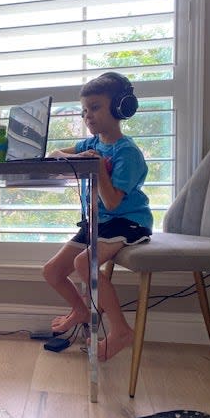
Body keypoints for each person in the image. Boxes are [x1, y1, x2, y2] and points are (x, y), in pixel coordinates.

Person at [43, 72, 153, 361]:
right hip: (97, 222)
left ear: (119, 108)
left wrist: (98, 167)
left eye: (95, 107)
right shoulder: (90, 144)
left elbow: (113, 203)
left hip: (127, 222)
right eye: (84, 110)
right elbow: (54, 154)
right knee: (52, 272)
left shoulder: (127, 152)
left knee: (84, 263)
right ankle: (81, 310)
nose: (87, 116)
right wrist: (79, 159)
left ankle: (120, 330)